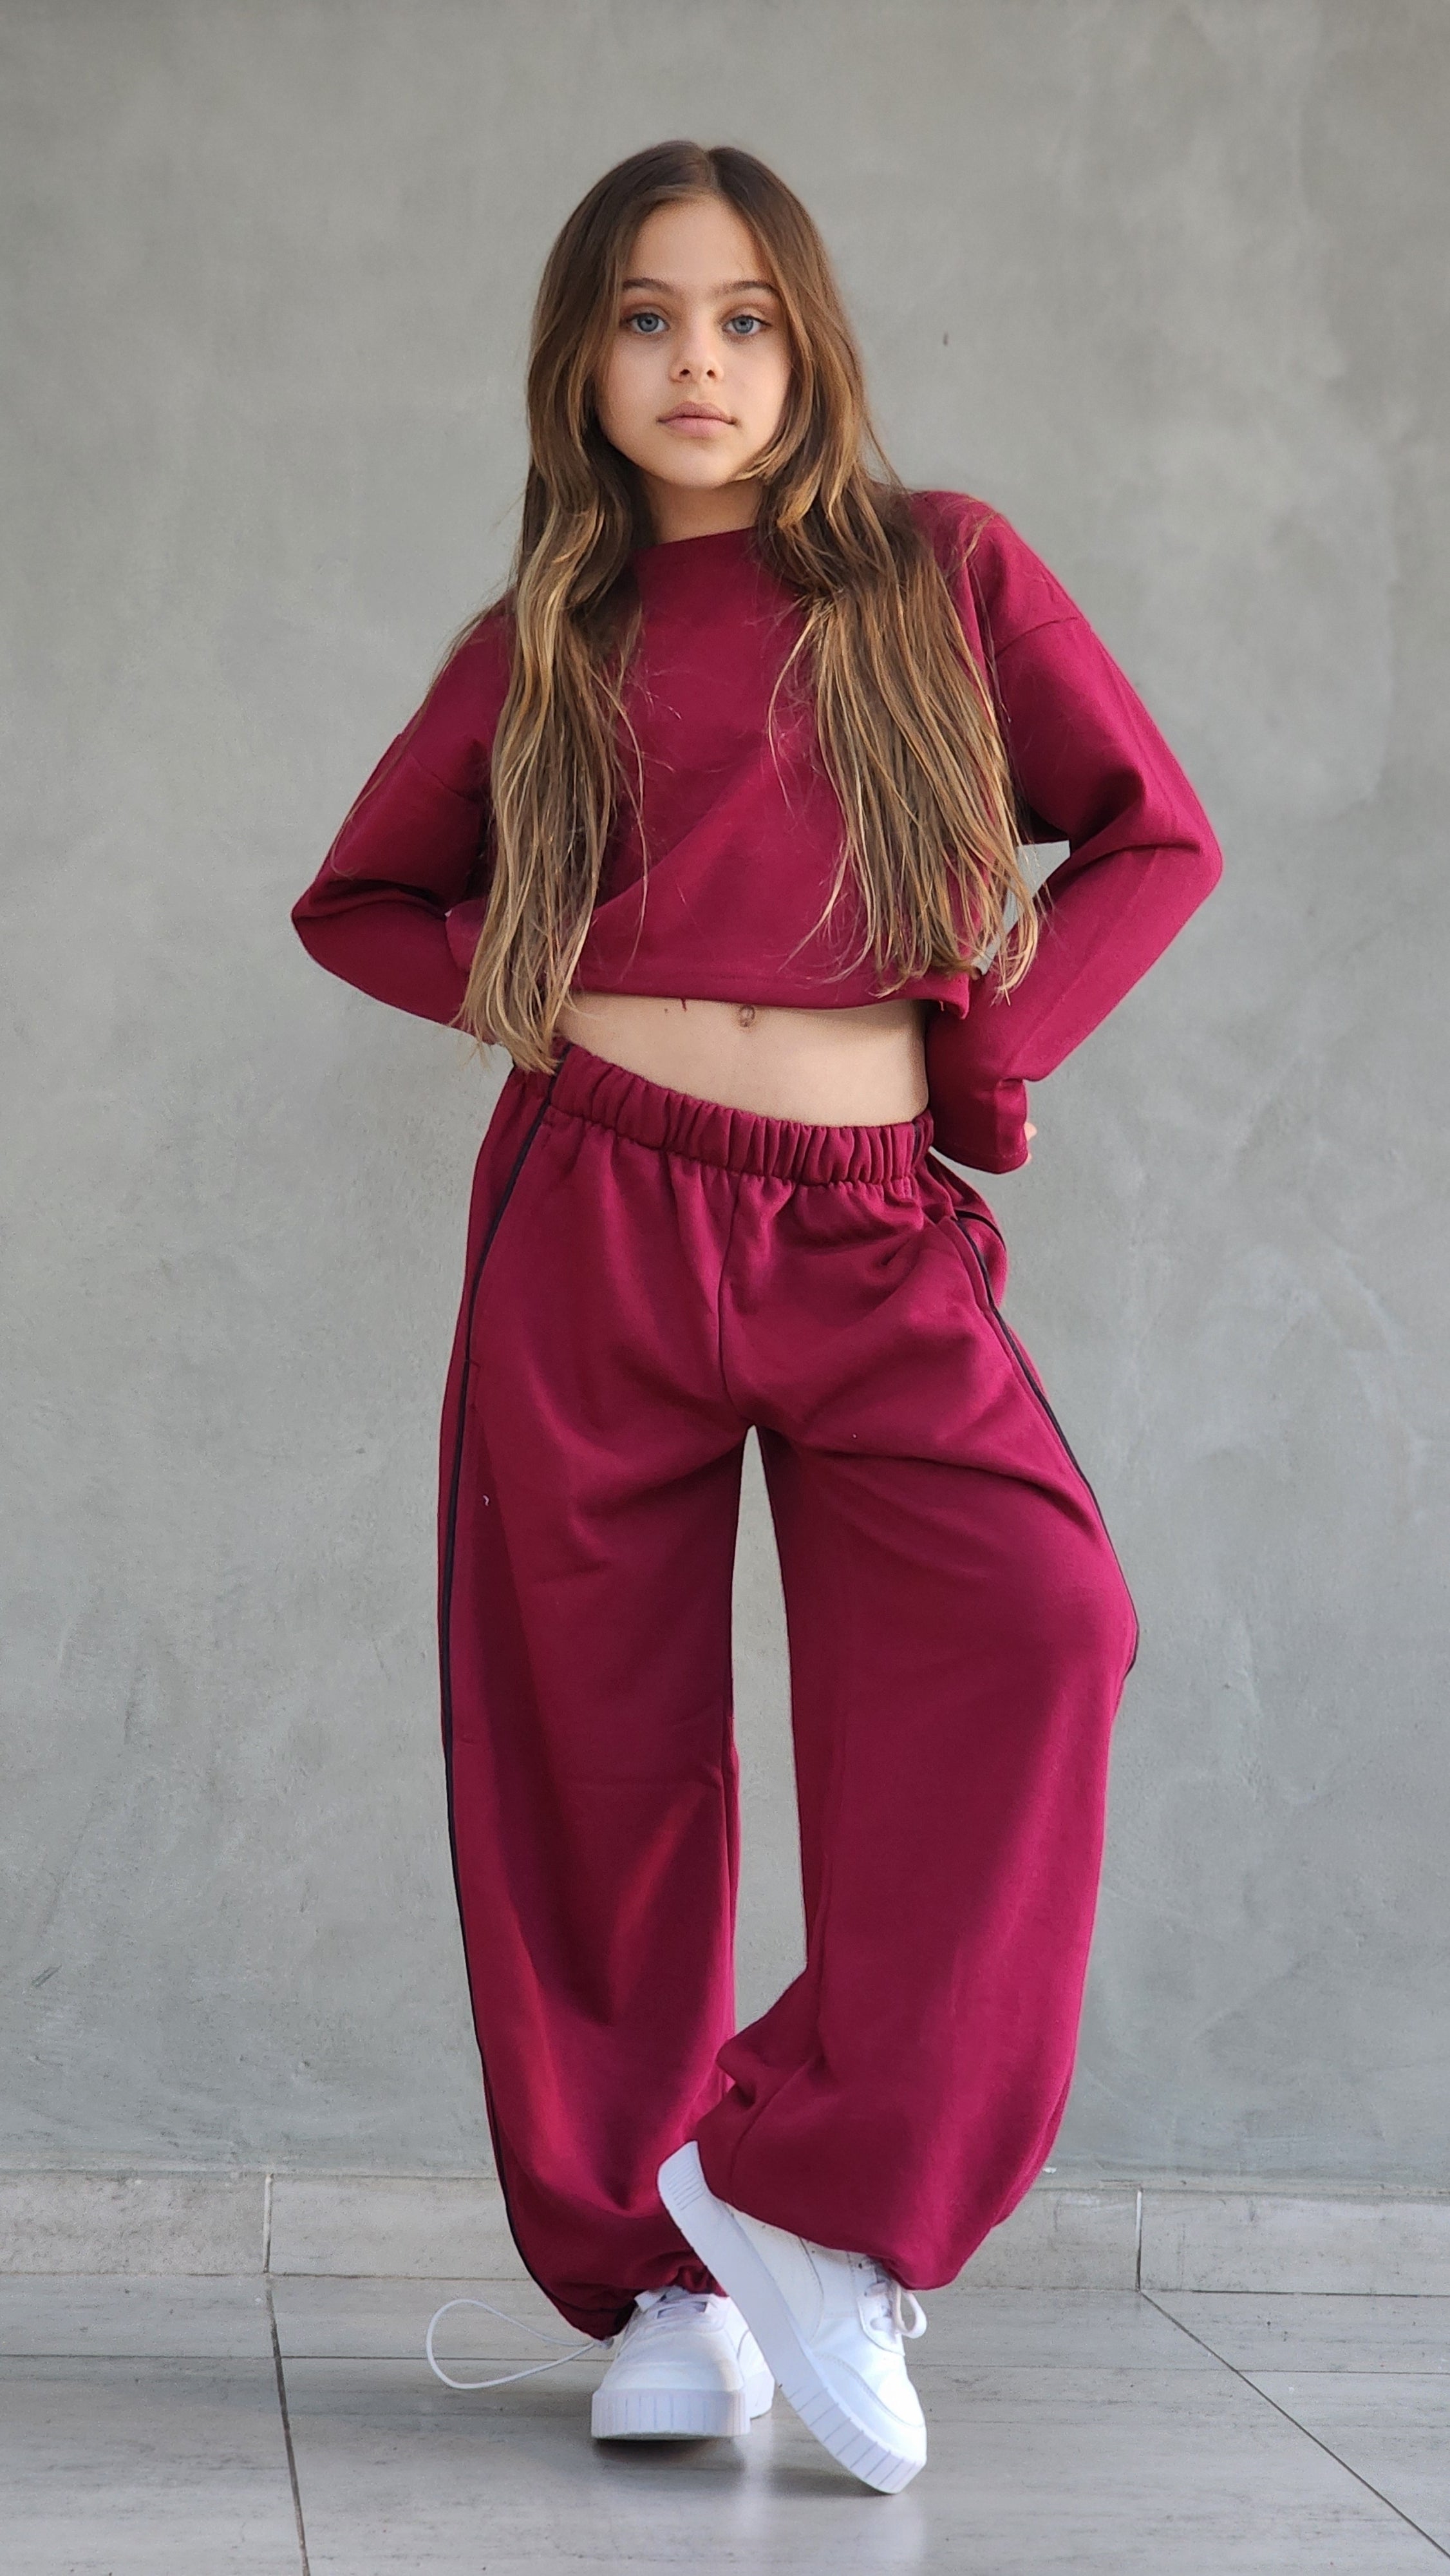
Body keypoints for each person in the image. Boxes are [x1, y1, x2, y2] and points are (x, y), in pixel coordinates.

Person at [291, 139, 1221, 2494]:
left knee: (1040, 1625)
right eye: (641, 317)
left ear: (806, 346)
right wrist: (545, 990)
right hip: (591, 1218)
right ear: (578, 363)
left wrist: (987, 1054)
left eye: (740, 318)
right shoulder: (544, 641)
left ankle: (804, 2195)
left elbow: (1149, 833)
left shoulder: (942, 575)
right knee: (590, 1750)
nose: (692, 362)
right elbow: (361, 899)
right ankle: (659, 2285)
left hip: (858, 1225)